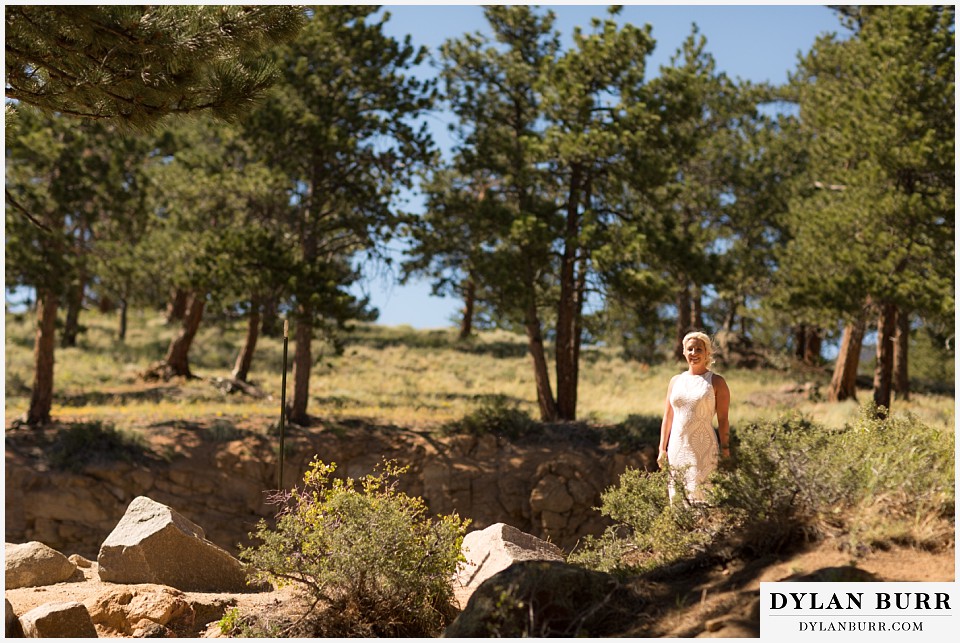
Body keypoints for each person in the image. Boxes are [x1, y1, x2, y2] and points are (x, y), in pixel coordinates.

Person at [657, 331, 730, 503]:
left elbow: (723, 420)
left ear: (707, 353)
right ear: (683, 352)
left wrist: (726, 451)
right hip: (677, 448)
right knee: (678, 498)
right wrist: (662, 449)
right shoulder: (675, 381)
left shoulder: (717, 382)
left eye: (699, 349)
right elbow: (667, 417)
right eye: (690, 349)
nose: (694, 353)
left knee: (702, 497)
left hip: (703, 448)